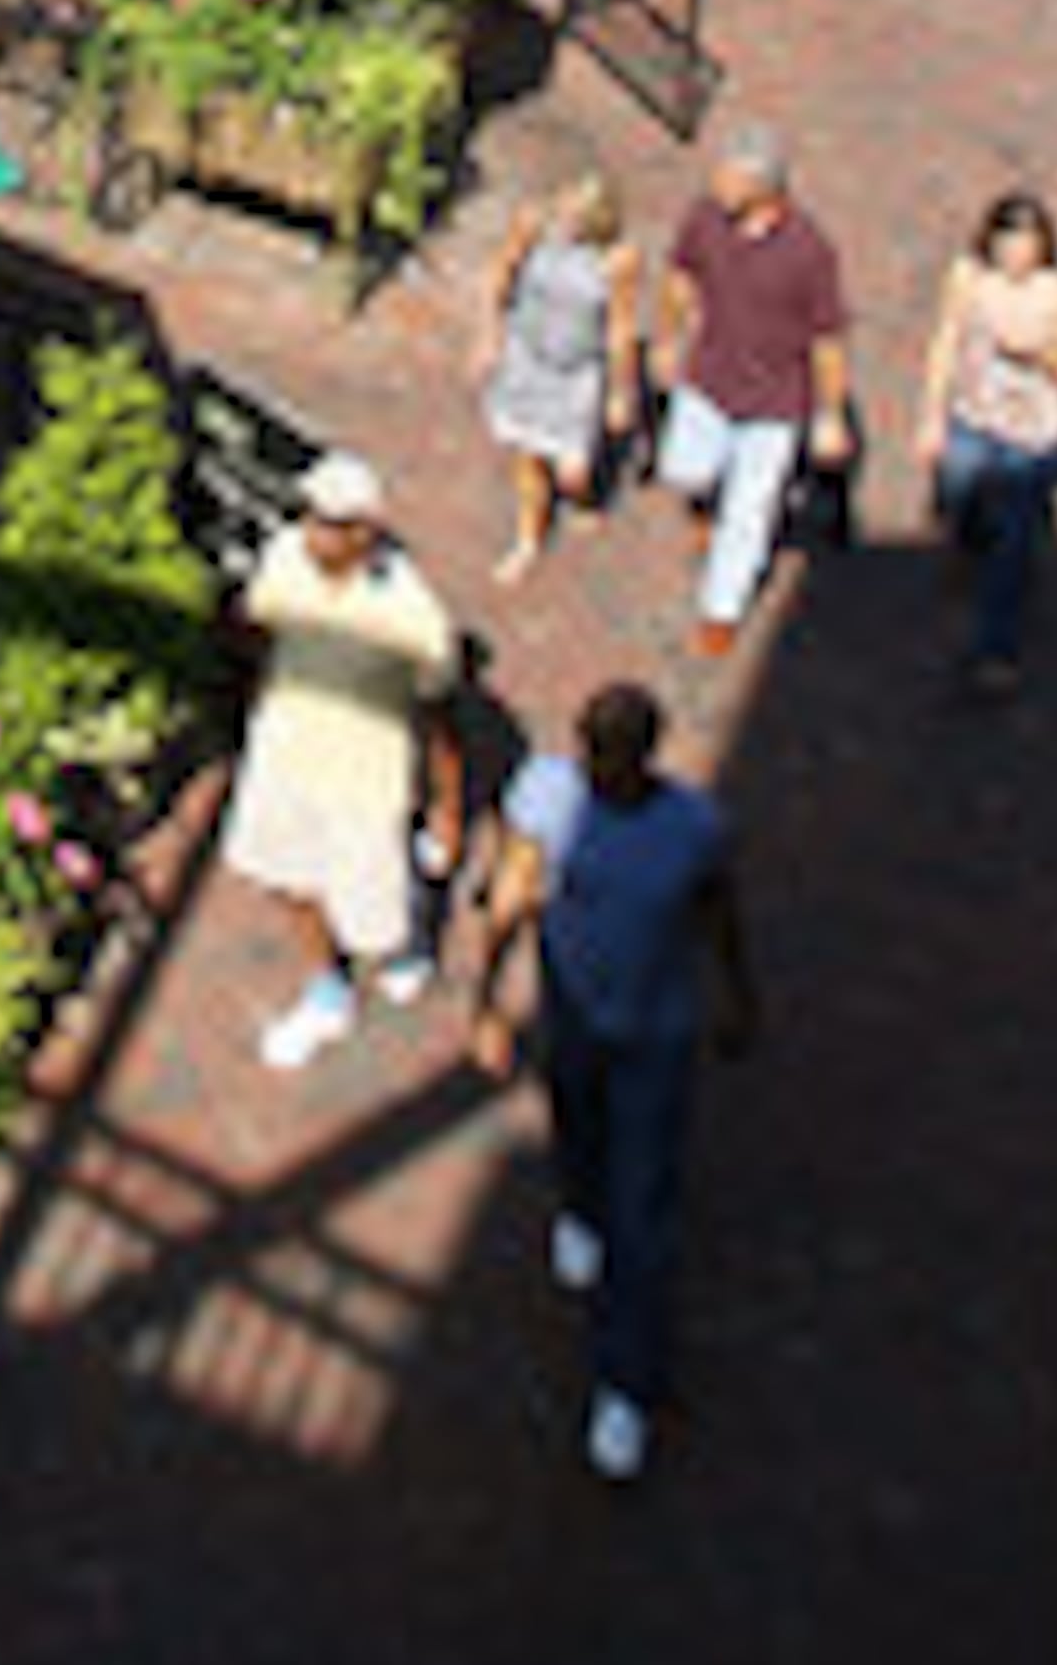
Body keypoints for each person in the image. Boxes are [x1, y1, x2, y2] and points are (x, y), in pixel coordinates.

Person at [467, 677, 757, 1485]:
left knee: (647, 1214)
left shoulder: (691, 826)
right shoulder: (549, 798)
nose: (605, 767)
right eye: (597, 749)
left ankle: (626, 1381)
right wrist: (486, 1002)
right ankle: (581, 1206)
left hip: (655, 1039)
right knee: (578, 1128)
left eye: (621, 753)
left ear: (648, 752)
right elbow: (510, 895)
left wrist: (739, 996)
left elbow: (719, 911)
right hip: (576, 1024)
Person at [218, 451, 464, 1072]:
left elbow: (438, 723)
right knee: (285, 877)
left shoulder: (414, 616)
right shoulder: (283, 556)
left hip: (365, 785)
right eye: (311, 516)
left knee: (373, 925)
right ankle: (327, 989)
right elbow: (257, 625)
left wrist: (447, 809)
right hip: (283, 759)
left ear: (367, 529)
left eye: (333, 522)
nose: (316, 533)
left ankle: (404, 943)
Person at [654, 124, 852, 653]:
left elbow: (827, 341)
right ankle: (704, 501)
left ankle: (720, 610)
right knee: (683, 468)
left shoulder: (811, 253)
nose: (714, 183)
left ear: (763, 189)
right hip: (708, 378)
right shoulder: (704, 219)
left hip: (775, 405)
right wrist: (669, 338)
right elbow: (680, 275)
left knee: (749, 513)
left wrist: (830, 415)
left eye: (727, 177)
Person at [912, 185, 1057, 690]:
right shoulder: (968, 279)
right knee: (956, 489)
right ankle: (970, 537)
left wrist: (1038, 353)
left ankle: (996, 649)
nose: (1015, 256)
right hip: (971, 417)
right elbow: (946, 340)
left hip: (1030, 436)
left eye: (1026, 246)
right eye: (1006, 244)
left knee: (1014, 546)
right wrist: (931, 414)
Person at [469, 162, 644, 584]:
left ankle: (580, 497)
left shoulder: (619, 259)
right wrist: (488, 334)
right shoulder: (532, 224)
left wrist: (621, 391)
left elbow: (620, 328)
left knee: (571, 472)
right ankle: (527, 539)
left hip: (576, 373)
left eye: (576, 219)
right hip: (527, 358)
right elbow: (499, 273)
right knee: (526, 455)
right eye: (562, 212)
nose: (564, 224)